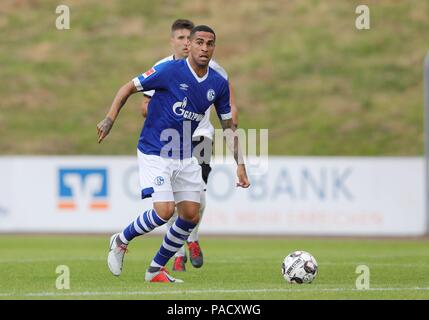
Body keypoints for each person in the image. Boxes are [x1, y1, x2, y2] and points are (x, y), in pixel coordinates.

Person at [97, 25, 250, 283]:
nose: (204, 48)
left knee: (191, 214)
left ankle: (155, 270)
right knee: (165, 211)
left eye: (209, 43)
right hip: (155, 149)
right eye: (199, 42)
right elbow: (127, 88)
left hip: (185, 152)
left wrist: (241, 164)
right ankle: (121, 240)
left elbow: (228, 126)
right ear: (189, 45)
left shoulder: (218, 83)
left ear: (214, 47)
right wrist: (109, 119)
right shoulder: (168, 70)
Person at [141, 19, 239, 272]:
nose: (187, 43)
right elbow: (144, 104)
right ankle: (175, 251)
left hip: (200, 136)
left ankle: (192, 239)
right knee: (169, 201)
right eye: (182, 39)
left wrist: (232, 120)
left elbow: (228, 104)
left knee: (199, 195)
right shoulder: (164, 67)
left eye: (190, 39)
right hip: (170, 139)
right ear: (173, 41)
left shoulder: (215, 70)